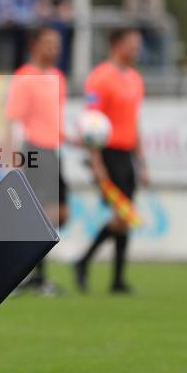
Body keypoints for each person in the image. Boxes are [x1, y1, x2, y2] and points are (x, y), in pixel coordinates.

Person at [74, 28, 147, 294]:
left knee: (123, 217)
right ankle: (92, 267)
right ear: (117, 44)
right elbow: (90, 123)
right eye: (132, 44)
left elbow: (134, 122)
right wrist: (96, 162)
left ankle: (111, 277)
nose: (137, 49)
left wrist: (142, 161)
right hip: (107, 153)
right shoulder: (100, 77)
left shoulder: (136, 79)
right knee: (122, 215)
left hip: (126, 154)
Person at [4, 27, 68, 296]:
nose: (55, 48)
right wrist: (11, 158)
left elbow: (55, 120)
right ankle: (30, 276)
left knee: (58, 215)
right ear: (35, 45)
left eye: (57, 44)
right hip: (34, 151)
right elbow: (12, 119)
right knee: (35, 215)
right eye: (49, 43)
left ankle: (33, 274)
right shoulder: (25, 77)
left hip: (53, 152)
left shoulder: (57, 77)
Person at [122, 0, 166, 66]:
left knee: (158, 58)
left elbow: (158, 13)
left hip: (154, 32)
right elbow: (130, 13)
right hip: (138, 32)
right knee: (142, 57)